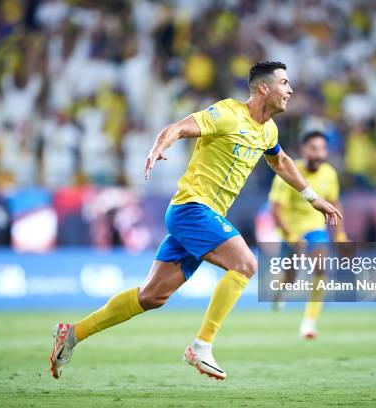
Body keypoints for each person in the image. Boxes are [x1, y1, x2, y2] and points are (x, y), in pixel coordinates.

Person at [49, 61, 343, 381]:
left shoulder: (269, 130)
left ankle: (72, 334)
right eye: (284, 83)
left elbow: (280, 161)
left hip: (204, 217)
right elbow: (178, 127)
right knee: (245, 264)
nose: (290, 90)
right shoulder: (228, 114)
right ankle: (201, 345)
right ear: (263, 89)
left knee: (151, 296)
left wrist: (312, 197)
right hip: (192, 208)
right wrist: (159, 144)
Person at [268, 130, 347, 339]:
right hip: (290, 232)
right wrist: (290, 235)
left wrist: (340, 233)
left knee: (321, 268)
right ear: (303, 150)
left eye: (322, 149)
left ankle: (309, 324)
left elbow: (335, 201)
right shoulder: (289, 172)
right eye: (313, 148)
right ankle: (280, 291)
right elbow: (275, 209)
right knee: (291, 278)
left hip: (315, 229)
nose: (318, 154)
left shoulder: (329, 173)